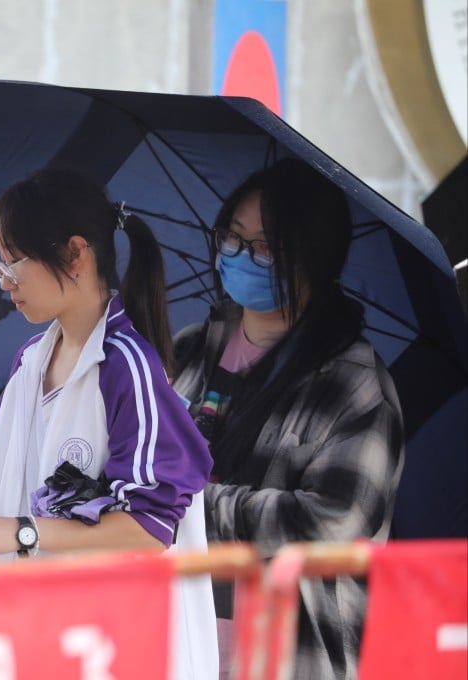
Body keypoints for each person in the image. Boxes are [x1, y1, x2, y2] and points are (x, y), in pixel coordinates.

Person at [0, 168, 217, 679]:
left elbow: (150, 526)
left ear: (75, 253)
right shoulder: (31, 362)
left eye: (16, 265)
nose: (6, 284)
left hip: (130, 647)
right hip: (56, 638)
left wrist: (22, 533)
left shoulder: (127, 367)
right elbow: (17, 503)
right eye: (0, 267)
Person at [171, 158, 404, 679]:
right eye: (232, 238)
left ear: (313, 261)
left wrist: (189, 508)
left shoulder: (353, 383)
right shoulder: (187, 349)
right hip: (176, 643)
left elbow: (333, 525)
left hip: (283, 657)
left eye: (266, 247)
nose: (240, 256)